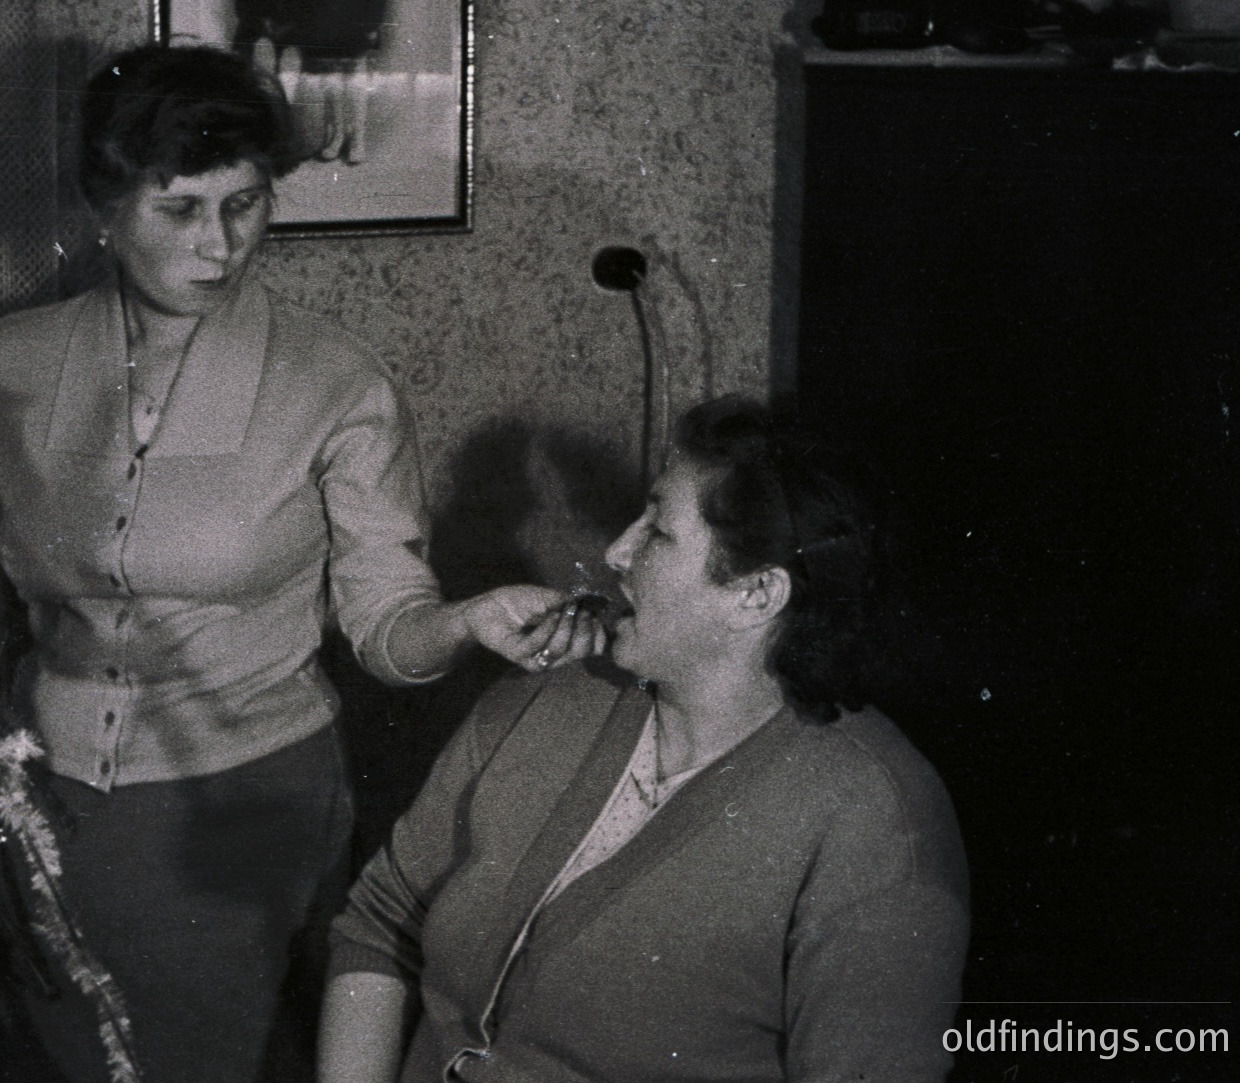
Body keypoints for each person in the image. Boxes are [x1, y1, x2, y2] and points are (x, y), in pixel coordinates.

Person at [0, 44, 599, 1083]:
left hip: (238, 813)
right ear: (105, 206)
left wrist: (462, 623)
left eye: (245, 205)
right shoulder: (11, 361)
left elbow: (386, 626)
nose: (221, 245)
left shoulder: (335, 384)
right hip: (38, 807)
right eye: (181, 208)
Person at [320, 397, 971, 1082]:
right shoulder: (556, 691)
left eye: (657, 532)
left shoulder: (877, 827)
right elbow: (380, 926)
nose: (615, 551)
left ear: (756, 593)